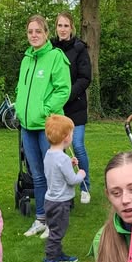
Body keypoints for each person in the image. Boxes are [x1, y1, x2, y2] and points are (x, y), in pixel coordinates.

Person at [15, 14, 71, 239]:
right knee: (37, 175)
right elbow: (21, 89)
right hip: (27, 127)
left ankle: (54, 221)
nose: (34, 35)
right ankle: (40, 219)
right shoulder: (26, 59)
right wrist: (20, 110)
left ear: (47, 33)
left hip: (48, 127)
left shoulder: (56, 57)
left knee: (53, 176)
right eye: (30, 32)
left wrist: (45, 110)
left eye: (38, 31)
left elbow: (63, 89)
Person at [52, 11, 92, 203]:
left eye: (66, 26)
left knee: (77, 146)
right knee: (57, 149)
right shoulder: (50, 48)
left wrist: (67, 95)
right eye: (60, 25)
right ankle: (63, 187)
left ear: (72, 28)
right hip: (56, 108)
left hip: (75, 106)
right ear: (55, 28)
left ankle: (85, 186)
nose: (63, 29)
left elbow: (85, 78)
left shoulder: (80, 49)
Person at [42, 113, 85, 262]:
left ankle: (58, 254)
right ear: (66, 137)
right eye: (72, 133)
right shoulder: (63, 158)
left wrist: (70, 165)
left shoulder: (49, 154)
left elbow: (57, 172)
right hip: (60, 203)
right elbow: (72, 180)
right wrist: (81, 174)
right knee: (57, 231)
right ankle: (50, 258)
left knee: (56, 228)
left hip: (50, 200)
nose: (72, 136)